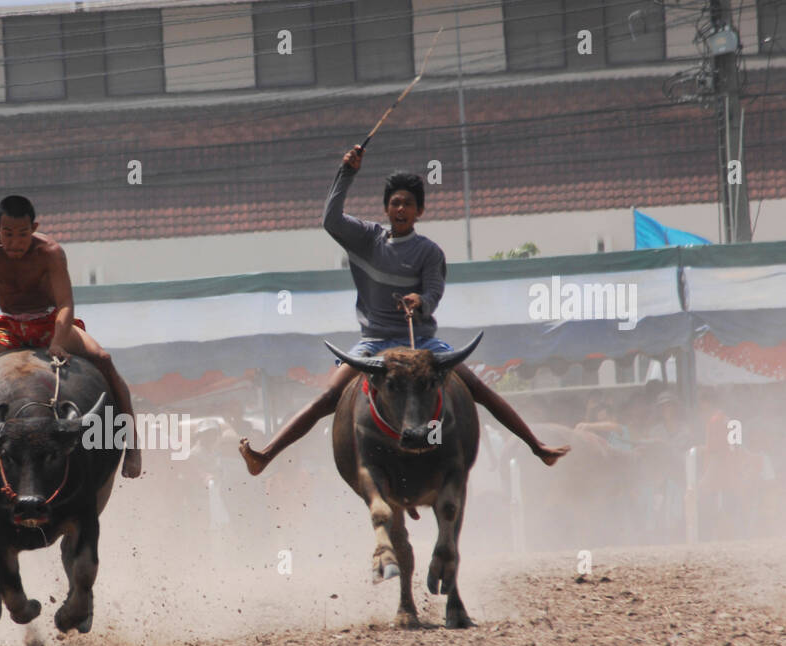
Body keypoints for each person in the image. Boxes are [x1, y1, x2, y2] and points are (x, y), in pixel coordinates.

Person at [239, 146, 570, 476]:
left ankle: (537, 447)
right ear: (385, 208)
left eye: (408, 203)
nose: (400, 208)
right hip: (374, 344)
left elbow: (434, 292)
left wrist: (421, 302)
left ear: (420, 211)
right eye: (394, 202)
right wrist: (347, 172)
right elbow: (330, 220)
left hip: (421, 344)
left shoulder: (429, 252)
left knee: (477, 388)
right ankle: (265, 456)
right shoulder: (367, 238)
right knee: (329, 396)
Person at [0, 194, 142, 487]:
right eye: (8, 234)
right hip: (9, 326)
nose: (15, 242)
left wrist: (58, 340)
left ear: (35, 227)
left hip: (50, 322)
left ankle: (132, 446)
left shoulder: (50, 252)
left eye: (23, 234)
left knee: (105, 360)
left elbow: (66, 303)